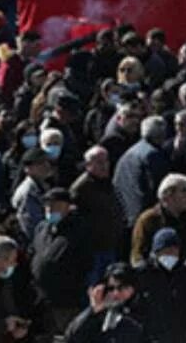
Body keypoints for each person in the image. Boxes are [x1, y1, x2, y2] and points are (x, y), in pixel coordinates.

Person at [31, 187, 93, 332]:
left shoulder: (78, 230)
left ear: (67, 206)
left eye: (55, 205)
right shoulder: (42, 228)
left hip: (67, 300)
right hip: (42, 299)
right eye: (47, 205)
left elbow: (86, 263)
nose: (50, 209)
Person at [135, 227, 186, 343]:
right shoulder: (142, 275)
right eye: (166, 251)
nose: (170, 255)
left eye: (174, 251)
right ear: (156, 252)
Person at [71, 145, 122, 285]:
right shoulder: (81, 188)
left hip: (109, 244)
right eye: (99, 162)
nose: (104, 166)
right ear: (88, 165)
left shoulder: (106, 183)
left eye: (106, 161)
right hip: (93, 249)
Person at [113, 115, 169, 234]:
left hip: (125, 214)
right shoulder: (153, 155)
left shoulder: (130, 152)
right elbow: (158, 189)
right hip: (145, 217)